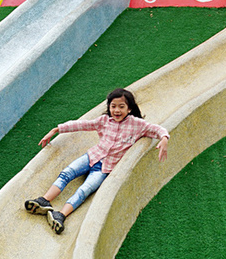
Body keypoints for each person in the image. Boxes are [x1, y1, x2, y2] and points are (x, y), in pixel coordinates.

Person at [25, 87, 169, 235]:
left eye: (121, 106)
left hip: (105, 168)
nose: (117, 110)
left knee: (85, 190)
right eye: (113, 106)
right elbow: (82, 124)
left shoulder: (137, 124)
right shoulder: (104, 121)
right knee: (66, 173)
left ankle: (60, 215)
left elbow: (157, 129)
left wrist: (164, 138)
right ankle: (44, 201)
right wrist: (57, 129)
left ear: (130, 108)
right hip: (91, 157)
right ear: (109, 107)